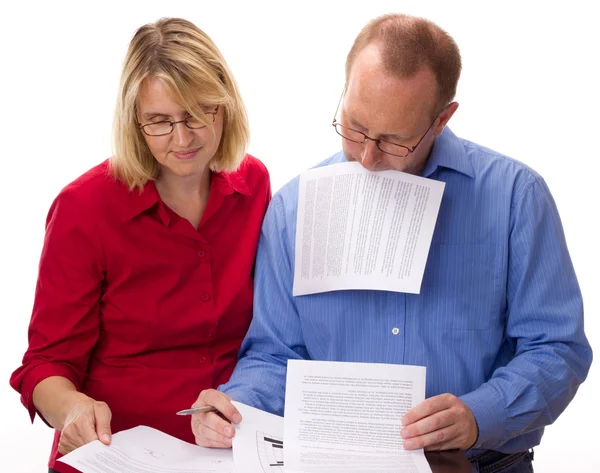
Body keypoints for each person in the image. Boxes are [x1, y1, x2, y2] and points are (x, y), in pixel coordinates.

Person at [190, 13, 592, 473]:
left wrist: (480, 414)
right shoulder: (293, 209)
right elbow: (274, 354)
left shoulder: (515, 197)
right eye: (355, 126)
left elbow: (557, 347)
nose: (365, 157)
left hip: (481, 464)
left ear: (442, 119)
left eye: (393, 141)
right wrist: (234, 409)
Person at [9, 17, 270, 473]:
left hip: (226, 450)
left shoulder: (254, 185)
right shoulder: (83, 208)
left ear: (225, 107)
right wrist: (71, 409)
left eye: (196, 114)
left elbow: (270, 336)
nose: (182, 139)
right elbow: (46, 364)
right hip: (116, 451)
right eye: (159, 122)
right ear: (134, 121)